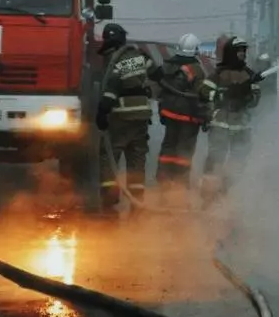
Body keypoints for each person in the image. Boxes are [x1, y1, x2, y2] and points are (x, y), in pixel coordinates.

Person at [95, 23, 152, 211]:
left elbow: (110, 89)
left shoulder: (113, 60)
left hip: (120, 117)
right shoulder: (138, 56)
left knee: (109, 155)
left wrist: (102, 112)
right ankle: (137, 201)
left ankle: (110, 199)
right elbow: (156, 73)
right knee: (137, 159)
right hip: (141, 117)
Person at [199, 35, 262, 207]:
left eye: (243, 50)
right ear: (231, 52)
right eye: (238, 50)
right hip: (220, 123)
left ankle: (225, 192)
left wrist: (246, 97)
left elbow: (256, 100)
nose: (242, 54)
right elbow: (204, 92)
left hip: (240, 126)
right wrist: (222, 95)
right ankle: (206, 197)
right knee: (214, 160)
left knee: (237, 162)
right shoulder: (218, 74)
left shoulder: (250, 75)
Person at [150, 33, 213, 193]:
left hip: (169, 114)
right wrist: (207, 116)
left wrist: (162, 109)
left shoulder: (167, 65)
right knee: (184, 152)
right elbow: (202, 94)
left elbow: (158, 89)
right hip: (189, 117)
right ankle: (180, 185)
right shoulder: (196, 69)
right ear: (195, 50)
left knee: (168, 148)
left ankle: (163, 181)